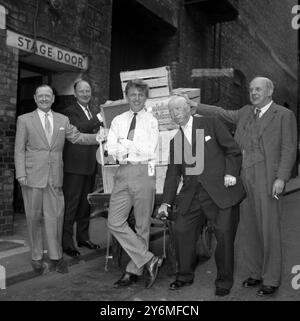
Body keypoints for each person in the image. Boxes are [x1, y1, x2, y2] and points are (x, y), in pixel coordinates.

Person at [189, 77, 297, 296]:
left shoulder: (284, 115)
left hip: (268, 177)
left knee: (269, 229)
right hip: (242, 176)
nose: (254, 92)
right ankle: (255, 273)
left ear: (270, 91)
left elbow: (289, 148)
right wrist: (197, 106)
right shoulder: (246, 111)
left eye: (258, 89)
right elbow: (222, 113)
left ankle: (271, 278)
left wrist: (282, 178)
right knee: (248, 228)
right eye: (251, 89)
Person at [157, 96, 245, 296]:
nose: (175, 113)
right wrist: (165, 203)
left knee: (223, 234)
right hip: (192, 195)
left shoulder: (209, 123)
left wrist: (230, 173)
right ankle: (184, 275)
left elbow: (232, 151)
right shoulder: (176, 140)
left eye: (178, 108)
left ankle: (224, 281)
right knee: (180, 229)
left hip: (220, 191)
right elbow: (173, 174)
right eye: (171, 111)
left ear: (188, 108)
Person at [14, 84, 100, 274]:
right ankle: (36, 256)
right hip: (31, 176)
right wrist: (20, 173)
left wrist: (100, 137)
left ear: (53, 98)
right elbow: (19, 149)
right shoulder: (24, 120)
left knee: (56, 217)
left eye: (48, 96)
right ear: (36, 99)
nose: (44, 99)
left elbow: (77, 137)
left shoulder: (62, 119)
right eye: (40, 96)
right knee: (33, 218)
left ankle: (56, 256)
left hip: (55, 177)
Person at [106, 79, 163, 289]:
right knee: (114, 221)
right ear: (126, 96)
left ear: (145, 96)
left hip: (144, 171)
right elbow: (111, 148)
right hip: (123, 172)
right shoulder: (119, 119)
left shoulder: (151, 121)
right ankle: (149, 259)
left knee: (142, 225)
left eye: (140, 94)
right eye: (133, 94)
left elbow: (149, 150)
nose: (136, 98)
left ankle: (134, 270)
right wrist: (126, 147)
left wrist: (125, 144)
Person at [61, 80, 103, 257]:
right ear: (75, 94)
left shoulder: (93, 110)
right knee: (71, 205)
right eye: (82, 91)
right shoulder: (69, 112)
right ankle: (66, 242)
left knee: (85, 204)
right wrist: (99, 118)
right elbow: (80, 129)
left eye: (88, 91)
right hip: (74, 167)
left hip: (90, 165)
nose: (85, 94)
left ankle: (83, 237)